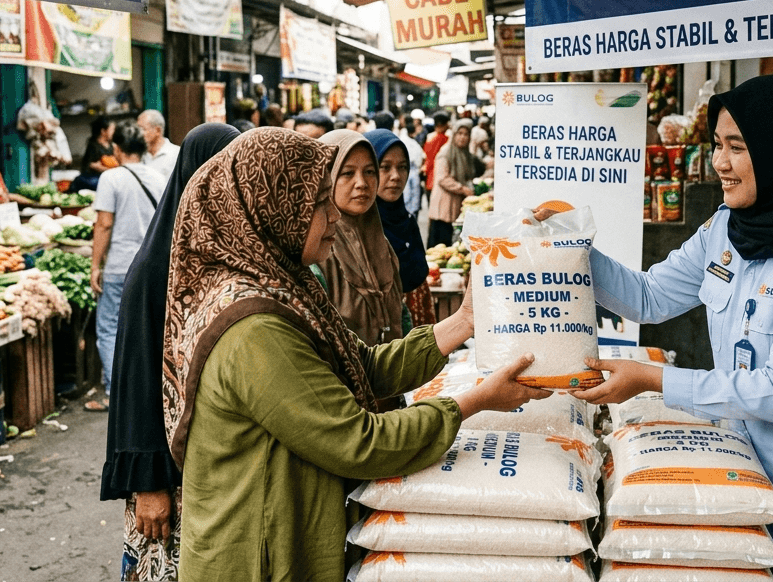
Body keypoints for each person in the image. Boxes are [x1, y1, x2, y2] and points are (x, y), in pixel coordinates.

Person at [160, 127, 547, 581]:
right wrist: (476, 401)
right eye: (320, 203)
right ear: (276, 210)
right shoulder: (255, 329)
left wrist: (463, 320)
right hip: (254, 556)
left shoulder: (285, 285)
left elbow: (359, 367)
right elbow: (358, 441)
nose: (336, 217)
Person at [567, 75, 773, 582]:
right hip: (752, 495)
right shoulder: (727, 226)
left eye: (737, 147)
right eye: (718, 145)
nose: (719, 163)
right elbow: (648, 296)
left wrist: (653, 379)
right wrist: (570, 250)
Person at [102, 123, 240, 582]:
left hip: (207, 469)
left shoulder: (215, 251)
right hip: (165, 477)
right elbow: (136, 380)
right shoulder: (155, 268)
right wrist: (148, 483)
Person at [89, 122, 169, 412]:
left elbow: (104, 224)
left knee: (110, 328)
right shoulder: (159, 178)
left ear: (117, 149)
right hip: (152, 265)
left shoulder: (111, 178)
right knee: (151, 328)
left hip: (121, 266)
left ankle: (116, 392)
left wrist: (95, 265)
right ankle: (153, 390)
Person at [314, 130, 407, 349]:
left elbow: (401, 314)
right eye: (347, 173)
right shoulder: (315, 252)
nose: (362, 183)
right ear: (324, 177)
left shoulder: (382, 244)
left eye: (369, 172)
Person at [366, 129, 435, 327]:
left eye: (402, 167)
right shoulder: (360, 230)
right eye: (384, 167)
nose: (396, 176)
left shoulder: (407, 221)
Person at [427, 119, 482, 248]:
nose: (463, 137)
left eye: (466, 134)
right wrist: (462, 189)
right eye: (460, 133)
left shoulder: (465, 154)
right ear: (454, 134)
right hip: (442, 208)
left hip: (454, 206)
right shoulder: (446, 152)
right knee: (439, 247)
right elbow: (442, 178)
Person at [71, 115, 117, 193]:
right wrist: (109, 169)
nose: (114, 132)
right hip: (93, 178)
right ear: (103, 131)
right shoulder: (93, 145)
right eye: (112, 129)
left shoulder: (112, 146)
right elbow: (91, 165)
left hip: (109, 178)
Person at [138, 110, 181, 179]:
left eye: (143, 129)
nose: (139, 134)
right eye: (138, 129)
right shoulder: (139, 155)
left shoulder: (176, 154)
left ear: (158, 130)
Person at [397, 114, 425, 219]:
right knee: (412, 196)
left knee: (407, 195)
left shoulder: (400, 137)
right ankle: (411, 215)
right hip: (411, 170)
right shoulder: (412, 142)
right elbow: (420, 158)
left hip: (405, 170)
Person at [421, 111, 450, 195]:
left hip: (429, 177)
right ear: (444, 125)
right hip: (443, 177)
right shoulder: (448, 139)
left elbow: (426, 157)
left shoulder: (429, 138)